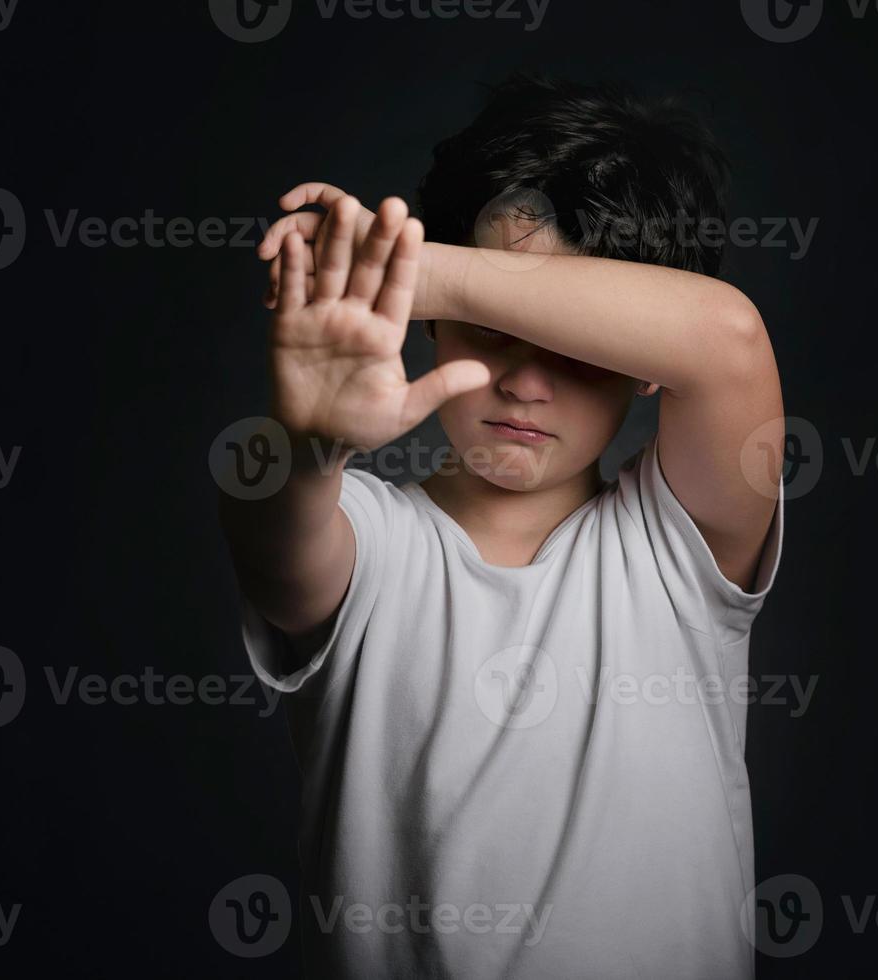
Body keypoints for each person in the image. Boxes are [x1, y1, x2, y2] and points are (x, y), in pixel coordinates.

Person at [219, 73, 786, 979]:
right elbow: (279, 540)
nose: (526, 382)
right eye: (487, 329)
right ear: (433, 326)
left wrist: (417, 266)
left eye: (576, 342)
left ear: (640, 363)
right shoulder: (370, 536)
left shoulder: (678, 549)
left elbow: (728, 339)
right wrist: (309, 445)